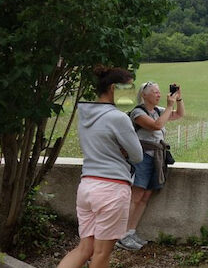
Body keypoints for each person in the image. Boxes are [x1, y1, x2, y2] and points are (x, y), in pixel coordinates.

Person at [58, 66, 143, 268]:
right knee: (102, 253)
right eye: (129, 88)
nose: (132, 93)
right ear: (114, 88)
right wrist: (123, 150)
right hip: (111, 190)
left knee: (84, 248)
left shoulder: (85, 114)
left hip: (87, 186)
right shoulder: (118, 117)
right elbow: (137, 155)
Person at [116, 81, 185, 250]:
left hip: (156, 158)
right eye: (155, 92)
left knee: (145, 196)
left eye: (159, 92)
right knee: (136, 196)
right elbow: (156, 126)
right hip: (141, 158)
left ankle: (131, 231)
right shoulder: (138, 113)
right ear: (144, 95)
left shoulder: (158, 111)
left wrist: (179, 98)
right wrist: (169, 106)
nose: (159, 95)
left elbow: (179, 115)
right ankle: (121, 235)